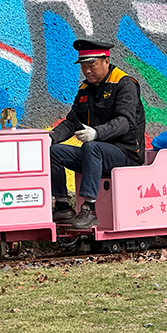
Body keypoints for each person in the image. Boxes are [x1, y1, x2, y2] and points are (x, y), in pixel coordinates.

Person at [49, 40, 146, 229]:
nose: (87, 71)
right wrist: (49, 137)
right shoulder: (85, 89)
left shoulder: (124, 84)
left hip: (126, 154)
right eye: (83, 67)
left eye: (91, 65)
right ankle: (62, 206)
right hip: (97, 155)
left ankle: (89, 209)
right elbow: (72, 122)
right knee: (53, 151)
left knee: (91, 147)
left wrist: (96, 133)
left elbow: (125, 122)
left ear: (106, 61)